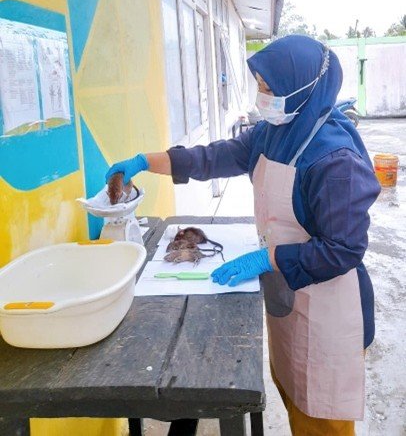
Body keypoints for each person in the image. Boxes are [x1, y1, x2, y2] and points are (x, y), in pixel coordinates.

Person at [105, 35, 380, 436]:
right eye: (260, 86)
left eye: (270, 88)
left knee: (322, 419)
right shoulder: (273, 131)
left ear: (303, 87)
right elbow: (213, 157)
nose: (262, 97)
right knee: (291, 393)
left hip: (327, 310)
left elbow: (343, 249)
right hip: (286, 294)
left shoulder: (336, 160)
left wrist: (267, 258)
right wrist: (145, 161)